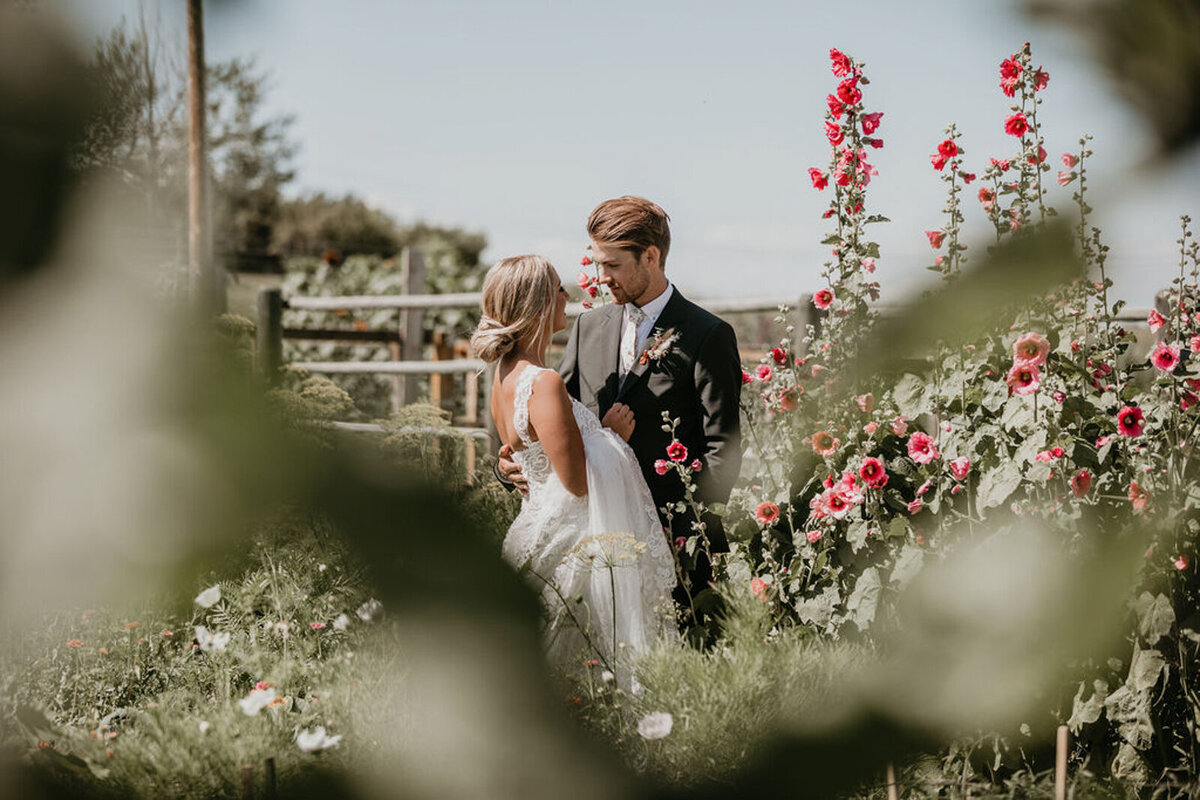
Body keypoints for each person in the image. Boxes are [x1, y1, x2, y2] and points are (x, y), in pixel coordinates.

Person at [497, 197, 743, 639]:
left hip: (673, 541)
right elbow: (553, 419)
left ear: (651, 256)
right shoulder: (588, 328)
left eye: (611, 265)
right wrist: (514, 466)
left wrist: (683, 531)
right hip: (595, 544)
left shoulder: (708, 335)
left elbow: (722, 449)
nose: (599, 277)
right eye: (596, 263)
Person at [471, 254, 675, 686]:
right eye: (558, 290)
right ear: (540, 303)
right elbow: (577, 482)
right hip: (570, 541)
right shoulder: (542, 382)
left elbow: (526, 454)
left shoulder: (503, 376)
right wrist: (610, 435)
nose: (568, 296)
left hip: (535, 526)